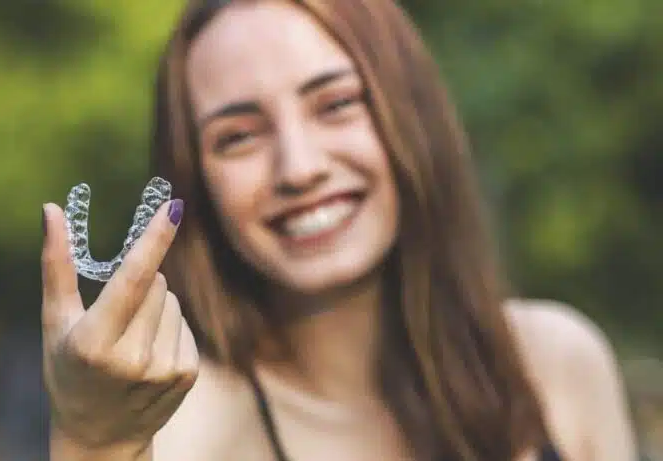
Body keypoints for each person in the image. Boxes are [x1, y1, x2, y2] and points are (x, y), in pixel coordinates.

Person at [40, 0, 638, 460]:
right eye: (239, 137)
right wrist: (95, 442)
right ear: (194, 182)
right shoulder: (182, 427)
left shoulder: (556, 363)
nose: (299, 168)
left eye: (336, 104)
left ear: (413, 113)